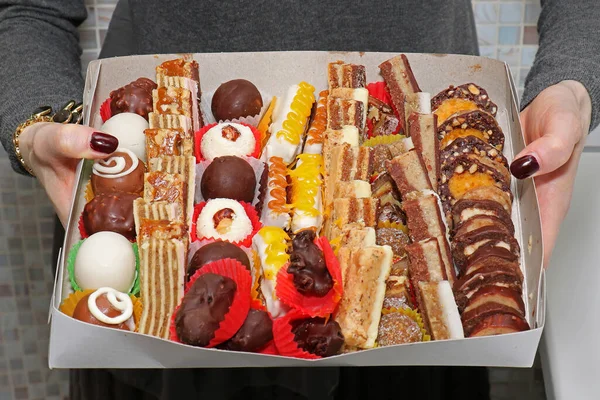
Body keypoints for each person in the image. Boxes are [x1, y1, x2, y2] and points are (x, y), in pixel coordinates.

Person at [0, 0, 597, 399]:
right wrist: (37, 124)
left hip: (416, 324)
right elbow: (26, 8)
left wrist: (570, 82)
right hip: (153, 326)